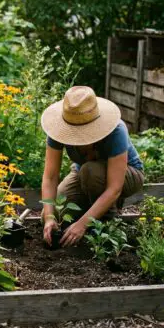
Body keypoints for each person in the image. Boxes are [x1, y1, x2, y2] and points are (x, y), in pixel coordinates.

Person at [40, 86, 144, 247]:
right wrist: (49, 218)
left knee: (91, 172)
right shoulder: (58, 130)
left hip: (127, 174)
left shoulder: (116, 131)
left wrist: (82, 225)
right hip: (83, 173)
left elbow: (114, 188)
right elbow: (50, 176)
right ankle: (92, 209)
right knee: (51, 212)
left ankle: (107, 223)